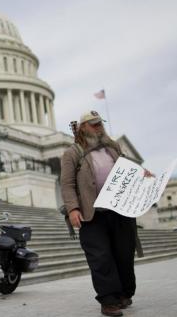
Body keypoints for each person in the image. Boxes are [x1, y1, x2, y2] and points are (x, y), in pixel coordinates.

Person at [60, 111, 153, 317]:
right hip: (92, 214)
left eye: (99, 123)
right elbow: (66, 184)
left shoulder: (113, 148)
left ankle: (124, 293)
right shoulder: (73, 153)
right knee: (100, 257)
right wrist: (73, 208)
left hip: (120, 211)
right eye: (93, 124)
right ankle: (108, 300)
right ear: (83, 127)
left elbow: (128, 170)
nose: (98, 127)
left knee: (124, 254)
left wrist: (142, 174)